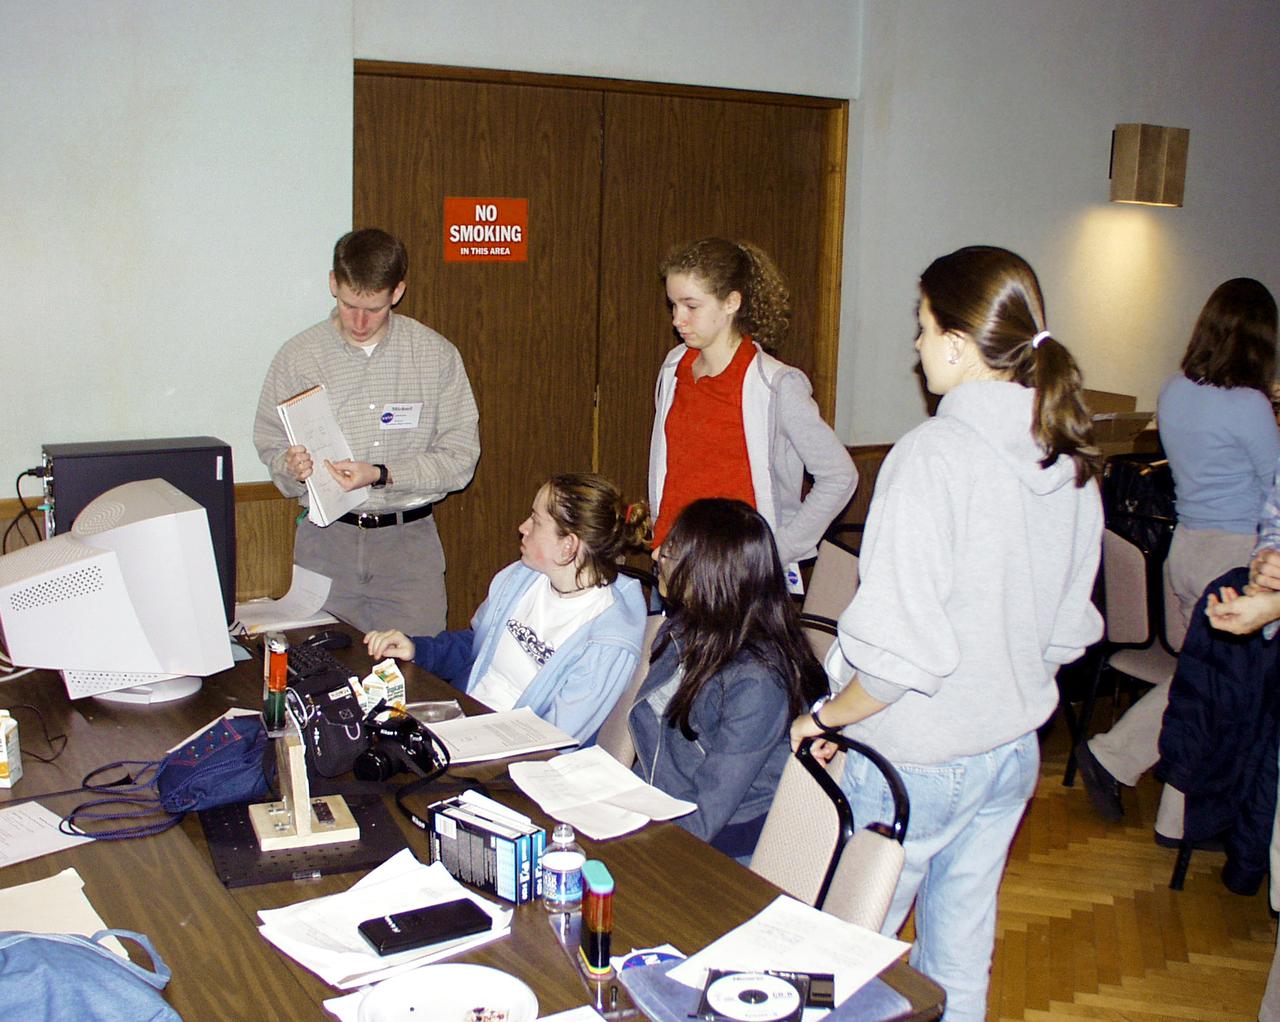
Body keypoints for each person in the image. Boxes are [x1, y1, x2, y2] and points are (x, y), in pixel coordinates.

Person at [789, 246, 1104, 1022]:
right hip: (1009, 755)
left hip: (915, 764)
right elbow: (1066, 635)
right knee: (959, 962)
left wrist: (825, 718)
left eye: (923, 328)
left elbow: (899, 659)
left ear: (961, 345)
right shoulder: (1065, 460)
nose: (916, 346)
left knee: (834, 962)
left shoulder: (931, 456)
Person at [1077, 278, 1278, 828]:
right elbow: (1275, 484)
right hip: (1233, 553)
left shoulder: (1175, 389)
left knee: (1198, 683)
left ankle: (1170, 809)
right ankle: (1125, 768)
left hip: (1183, 549)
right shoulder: (1251, 406)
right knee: (1208, 688)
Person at [254, 228, 480, 635]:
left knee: (414, 678)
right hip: (326, 544)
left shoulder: (435, 356)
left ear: (397, 292)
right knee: (324, 675)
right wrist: (290, 467)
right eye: (348, 304)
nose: (359, 321)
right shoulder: (298, 357)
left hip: (408, 547)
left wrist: (381, 473)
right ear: (332, 284)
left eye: (373, 308)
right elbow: (269, 442)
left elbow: (461, 458)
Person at [365, 474, 649, 743]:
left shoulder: (609, 641)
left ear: (568, 546)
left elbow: (555, 739)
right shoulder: (521, 579)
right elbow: (476, 646)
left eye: (536, 521)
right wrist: (418, 650)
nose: (523, 527)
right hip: (466, 715)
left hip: (514, 758)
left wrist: (469, 741)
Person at [649, 238, 856, 585]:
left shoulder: (776, 384)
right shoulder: (674, 368)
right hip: (674, 561)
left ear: (731, 302)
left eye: (691, 306)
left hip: (737, 577)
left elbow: (840, 475)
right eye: (673, 305)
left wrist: (776, 551)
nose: (677, 320)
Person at [629, 498, 827, 861]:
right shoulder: (679, 631)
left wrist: (631, 843)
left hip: (726, 850)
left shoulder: (758, 681)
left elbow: (709, 811)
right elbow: (651, 752)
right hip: (662, 814)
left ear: (709, 572)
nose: (656, 555)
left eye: (672, 550)